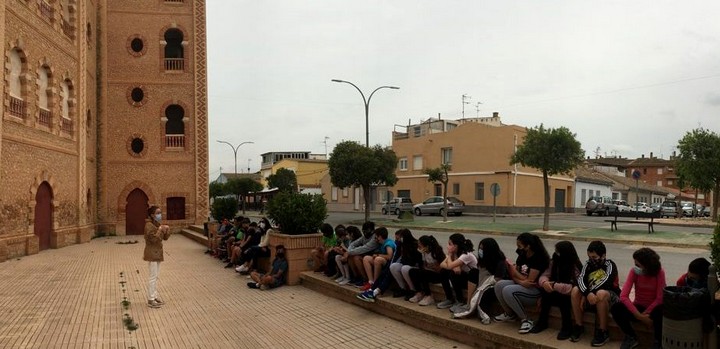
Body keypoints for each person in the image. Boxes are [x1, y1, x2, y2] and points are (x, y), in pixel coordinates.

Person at [493, 232, 550, 334]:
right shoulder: (522, 255)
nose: (518, 248)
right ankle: (510, 314)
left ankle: (526, 319)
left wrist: (514, 272)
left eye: (520, 246)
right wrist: (519, 279)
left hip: (534, 291)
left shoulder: (538, 258)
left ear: (528, 246)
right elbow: (516, 276)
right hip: (522, 285)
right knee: (499, 285)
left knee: (508, 290)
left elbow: (530, 280)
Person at [610, 247, 665, 349]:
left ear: (647, 265)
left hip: (653, 309)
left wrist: (646, 314)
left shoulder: (659, 273)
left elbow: (660, 298)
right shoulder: (634, 272)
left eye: (638, 265)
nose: (636, 267)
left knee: (661, 311)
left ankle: (658, 342)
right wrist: (640, 316)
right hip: (638, 308)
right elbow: (623, 296)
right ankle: (631, 337)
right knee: (616, 308)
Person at [570, 240, 620, 346]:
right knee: (575, 290)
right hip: (591, 297)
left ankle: (603, 331)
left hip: (610, 297)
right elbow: (581, 280)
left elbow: (607, 282)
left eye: (595, 257)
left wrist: (589, 293)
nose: (592, 260)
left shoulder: (610, 265)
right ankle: (579, 326)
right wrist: (587, 294)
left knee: (601, 293)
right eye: (590, 257)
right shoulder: (587, 264)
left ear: (603, 255)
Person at [529, 240, 582, 340]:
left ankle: (567, 327)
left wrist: (555, 286)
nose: (556, 253)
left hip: (570, 296)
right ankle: (542, 322)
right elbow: (544, 275)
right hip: (555, 290)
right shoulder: (554, 262)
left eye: (558, 251)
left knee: (562, 298)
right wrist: (545, 283)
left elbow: (575, 287)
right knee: (546, 293)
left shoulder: (575, 266)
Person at [438, 233, 477, 309]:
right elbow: (442, 264)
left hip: (472, 281)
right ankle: (449, 298)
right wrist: (451, 258)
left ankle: (460, 300)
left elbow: (452, 267)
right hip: (463, 278)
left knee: (453, 273)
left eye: (450, 244)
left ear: (455, 246)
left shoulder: (466, 255)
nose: (447, 246)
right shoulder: (455, 253)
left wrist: (449, 255)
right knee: (443, 271)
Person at [408, 235, 449, 306]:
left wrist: (433, 267)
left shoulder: (436, 251)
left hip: (438, 275)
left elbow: (442, 268)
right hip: (428, 272)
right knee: (412, 271)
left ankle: (429, 295)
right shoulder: (423, 253)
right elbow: (424, 265)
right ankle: (419, 293)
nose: (419, 247)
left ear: (426, 246)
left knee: (423, 273)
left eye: (420, 245)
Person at [143, 205, 171, 308]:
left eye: (160, 213)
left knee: (156, 277)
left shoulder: (156, 224)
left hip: (158, 253)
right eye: (157, 213)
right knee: (152, 277)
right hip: (151, 253)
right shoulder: (149, 225)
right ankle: (150, 299)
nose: (160, 215)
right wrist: (160, 230)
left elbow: (165, 238)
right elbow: (154, 240)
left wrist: (167, 229)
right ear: (152, 215)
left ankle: (154, 297)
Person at [389, 229, 421, 299]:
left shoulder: (415, 244)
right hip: (405, 263)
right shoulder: (401, 244)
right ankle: (402, 288)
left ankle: (412, 289)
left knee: (405, 268)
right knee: (393, 266)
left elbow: (415, 260)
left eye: (400, 237)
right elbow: (399, 256)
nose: (399, 239)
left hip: (415, 266)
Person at [346, 221, 379, 287]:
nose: (365, 233)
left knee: (356, 258)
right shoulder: (364, 237)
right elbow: (353, 244)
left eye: (366, 230)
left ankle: (365, 279)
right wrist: (349, 251)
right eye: (363, 231)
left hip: (373, 256)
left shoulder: (374, 237)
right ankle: (356, 277)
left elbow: (365, 248)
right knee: (350, 257)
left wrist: (349, 252)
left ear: (372, 230)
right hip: (365, 255)